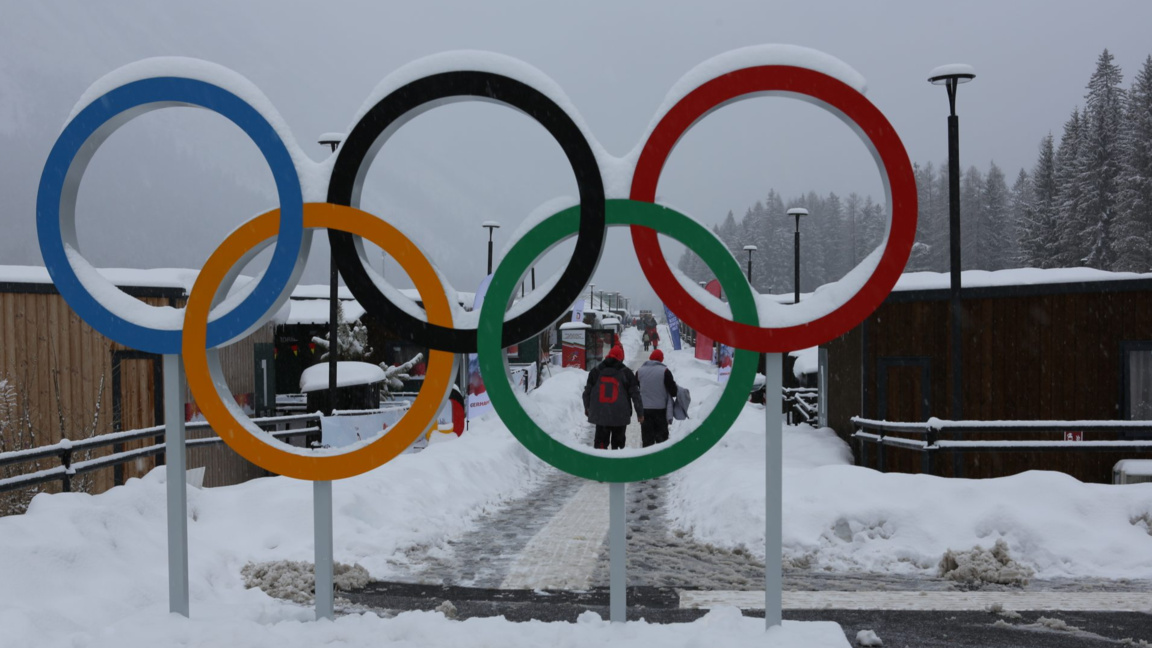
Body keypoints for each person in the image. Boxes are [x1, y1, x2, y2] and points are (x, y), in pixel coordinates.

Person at [583, 344, 643, 450]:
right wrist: (640, 413)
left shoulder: (595, 371)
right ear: (620, 357)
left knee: (600, 444)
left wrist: (587, 407)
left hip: (601, 415)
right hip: (620, 415)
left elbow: (587, 392)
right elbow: (635, 394)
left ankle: (601, 464)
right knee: (618, 446)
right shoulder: (627, 373)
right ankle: (616, 462)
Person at [636, 349, 678, 447]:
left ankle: (647, 459)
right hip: (660, 411)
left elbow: (636, 387)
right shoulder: (665, 371)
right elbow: (673, 392)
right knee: (661, 440)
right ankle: (660, 460)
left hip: (645, 411)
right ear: (661, 359)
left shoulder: (640, 371)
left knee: (647, 440)